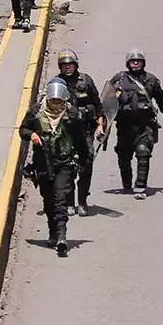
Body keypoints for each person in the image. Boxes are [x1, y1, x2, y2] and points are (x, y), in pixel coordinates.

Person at [21, 80, 92, 256]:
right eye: (53, 101)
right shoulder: (36, 112)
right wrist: (33, 135)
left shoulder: (72, 115)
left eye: (59, 102)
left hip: (64, 163)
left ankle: (62, 236)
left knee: (61, 199)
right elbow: (22, 130)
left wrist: (85, 159)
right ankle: (52, 232)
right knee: (49, 200)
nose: (56, 105)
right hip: (43, 164)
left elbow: (80, 140)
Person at [106, 49, 163, 200]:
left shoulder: (151, 80)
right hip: (124, 126)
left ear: (143, 63)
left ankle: (140, 186)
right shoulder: (119, 79)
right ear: (127, 63)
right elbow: (106, 101)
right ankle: (126, 184)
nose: (135, 63)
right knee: (123, 156)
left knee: (143, 152)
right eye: (132, 61)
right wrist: (102, 121)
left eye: (138, 61)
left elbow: (162, 101)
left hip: (144, 126)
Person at [53, 51, 103, 215]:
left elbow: (98, 104)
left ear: (76, 65)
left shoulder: (86, 81)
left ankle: (82, 201)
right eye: (64, 65)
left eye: (70, 65)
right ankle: (69, 202)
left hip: (85, 131)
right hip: (65, 132)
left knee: (86, 165)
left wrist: (100, 125)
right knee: (67, 167)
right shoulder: (56, 84)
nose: (68, 68)